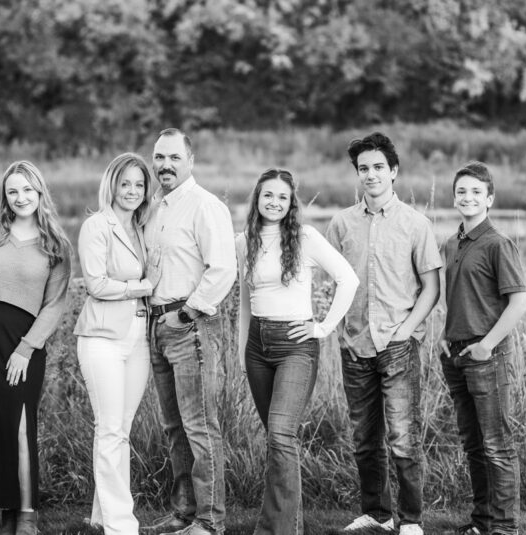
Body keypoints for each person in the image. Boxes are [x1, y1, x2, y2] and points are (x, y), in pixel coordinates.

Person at [325, 132, 442, 535]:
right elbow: (335, 282)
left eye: (378, 167)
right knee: (364, 438)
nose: (371, 175)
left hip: (398, 344)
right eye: (363, 169)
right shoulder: (340, 223)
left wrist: (406, 332)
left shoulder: (416, 223)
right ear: (357, 174)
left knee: (403, 437)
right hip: (354, 344)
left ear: (393, 171)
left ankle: (410, 520)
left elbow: (432, 287)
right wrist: (338, 328)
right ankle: (377, 513)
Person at [236, 169, 359, 535]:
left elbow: (348, 278)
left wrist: (322, 328)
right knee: (278, 440)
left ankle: (279, 530)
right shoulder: (245, 241)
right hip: (258, 344)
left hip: (296, 345)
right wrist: (243, 350)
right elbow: (245, 301)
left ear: (291, 204)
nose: (274, 202)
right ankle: (289, 524)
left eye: (282, 197)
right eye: (268, 195)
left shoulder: (304, 237)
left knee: (280, 433)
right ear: (257, 197)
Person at [0, 160, 72, 535]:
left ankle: (26, 514)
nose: (20, 197)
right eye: (13, 190)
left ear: (40, 191)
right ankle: (5, 511)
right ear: (5, 196)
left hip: (22, 344)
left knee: (21, 422)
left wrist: (26, 349)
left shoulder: (56, 243)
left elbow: (54, 304)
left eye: (27, 189)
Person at [142, 128, 236, 535]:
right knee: (174, 427)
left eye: (174, 158)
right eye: (159, 157)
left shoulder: (204, 206)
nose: (165, 165)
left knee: (200, 426)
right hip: (157, 327)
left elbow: (223, 269)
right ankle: (183, 513)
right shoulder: (156, 208)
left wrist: (187, 314)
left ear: (190, 160)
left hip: (190, 327)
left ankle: (210, 520)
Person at [437, 162, 526, 535]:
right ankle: (482, 523)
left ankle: (504, 529)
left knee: (497, 447)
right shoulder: (451, 243)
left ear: (489, 199)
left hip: (487, 357)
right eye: (461, 191)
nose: (468, 197)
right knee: (474, 446)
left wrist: (486, 345)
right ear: (454, 197)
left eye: (476, 191)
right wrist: (445, 333)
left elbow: (520, 302)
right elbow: (459, 298)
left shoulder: (497, 243)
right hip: (456, 355)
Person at [74, 152, 160, 535]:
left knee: (120, 429)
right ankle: (122, 526)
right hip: (101, 339)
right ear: (112, 184)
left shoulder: (142, 228)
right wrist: (142, 287)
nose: (132, 190)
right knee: (109, 428)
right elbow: (96, 284)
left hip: (137, 338)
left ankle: (100, 515)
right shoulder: (97, 226)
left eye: (139, 184)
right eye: (125, 183)